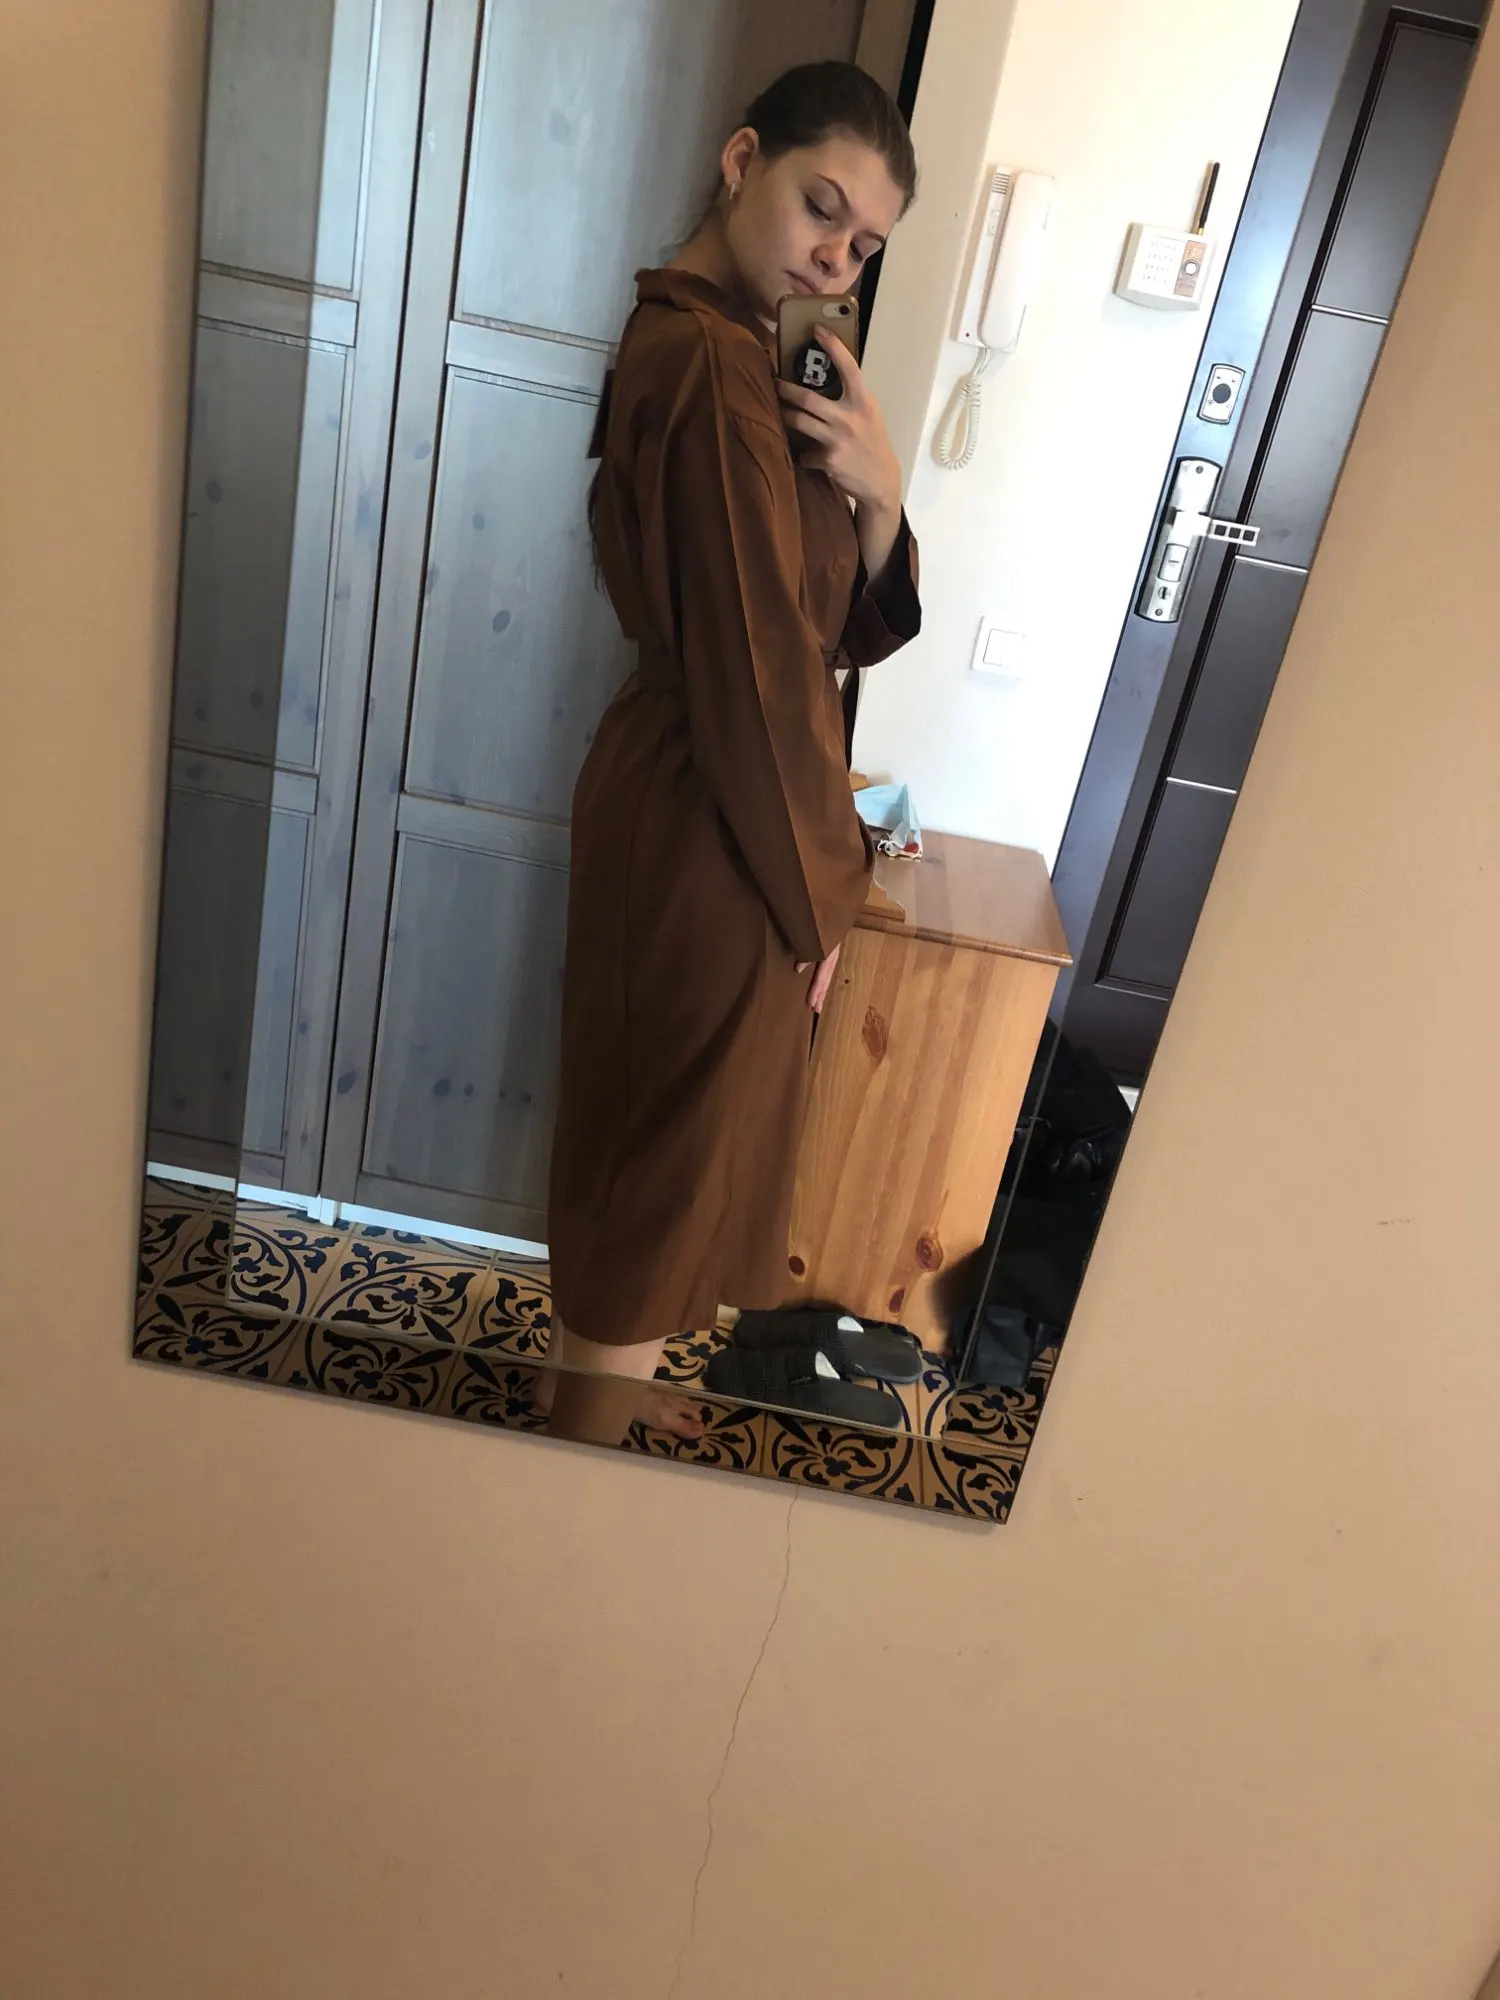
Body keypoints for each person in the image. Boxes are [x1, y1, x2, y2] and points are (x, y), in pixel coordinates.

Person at [544, 62, 922, 1443]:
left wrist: (877, 496)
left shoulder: (734, 351)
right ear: (742, 158)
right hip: (723, 814)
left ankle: (593, 1408)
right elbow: (765, 671)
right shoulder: (710, 366)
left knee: (644, 1143)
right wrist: (824, 893)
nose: (835, 256)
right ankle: (574, 1470)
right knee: (658, 1168)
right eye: (823, 206)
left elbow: (818, 620)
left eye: (864, 244)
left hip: (707, 798)